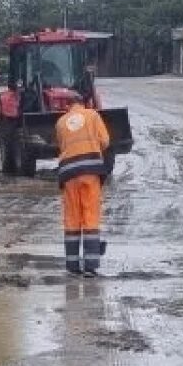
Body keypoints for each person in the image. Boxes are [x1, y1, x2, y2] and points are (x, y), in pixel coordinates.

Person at [55, 99, 112, 277]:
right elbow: (105, 141)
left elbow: (62, 146)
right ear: (84, 104)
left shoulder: (61, 122)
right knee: (90, 215)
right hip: (90, 172)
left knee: (72, 218)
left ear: (68, 106)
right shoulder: (93, 115)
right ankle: (90, 265)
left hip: (68, 174)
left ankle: (72, 265)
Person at [0, 79, 23, 174]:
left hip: (7, 121)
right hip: (14, 121)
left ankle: (8, 168)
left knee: (7, 142)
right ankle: (10, 167)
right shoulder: (15, 95)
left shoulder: (2, 95)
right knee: (12, 141)